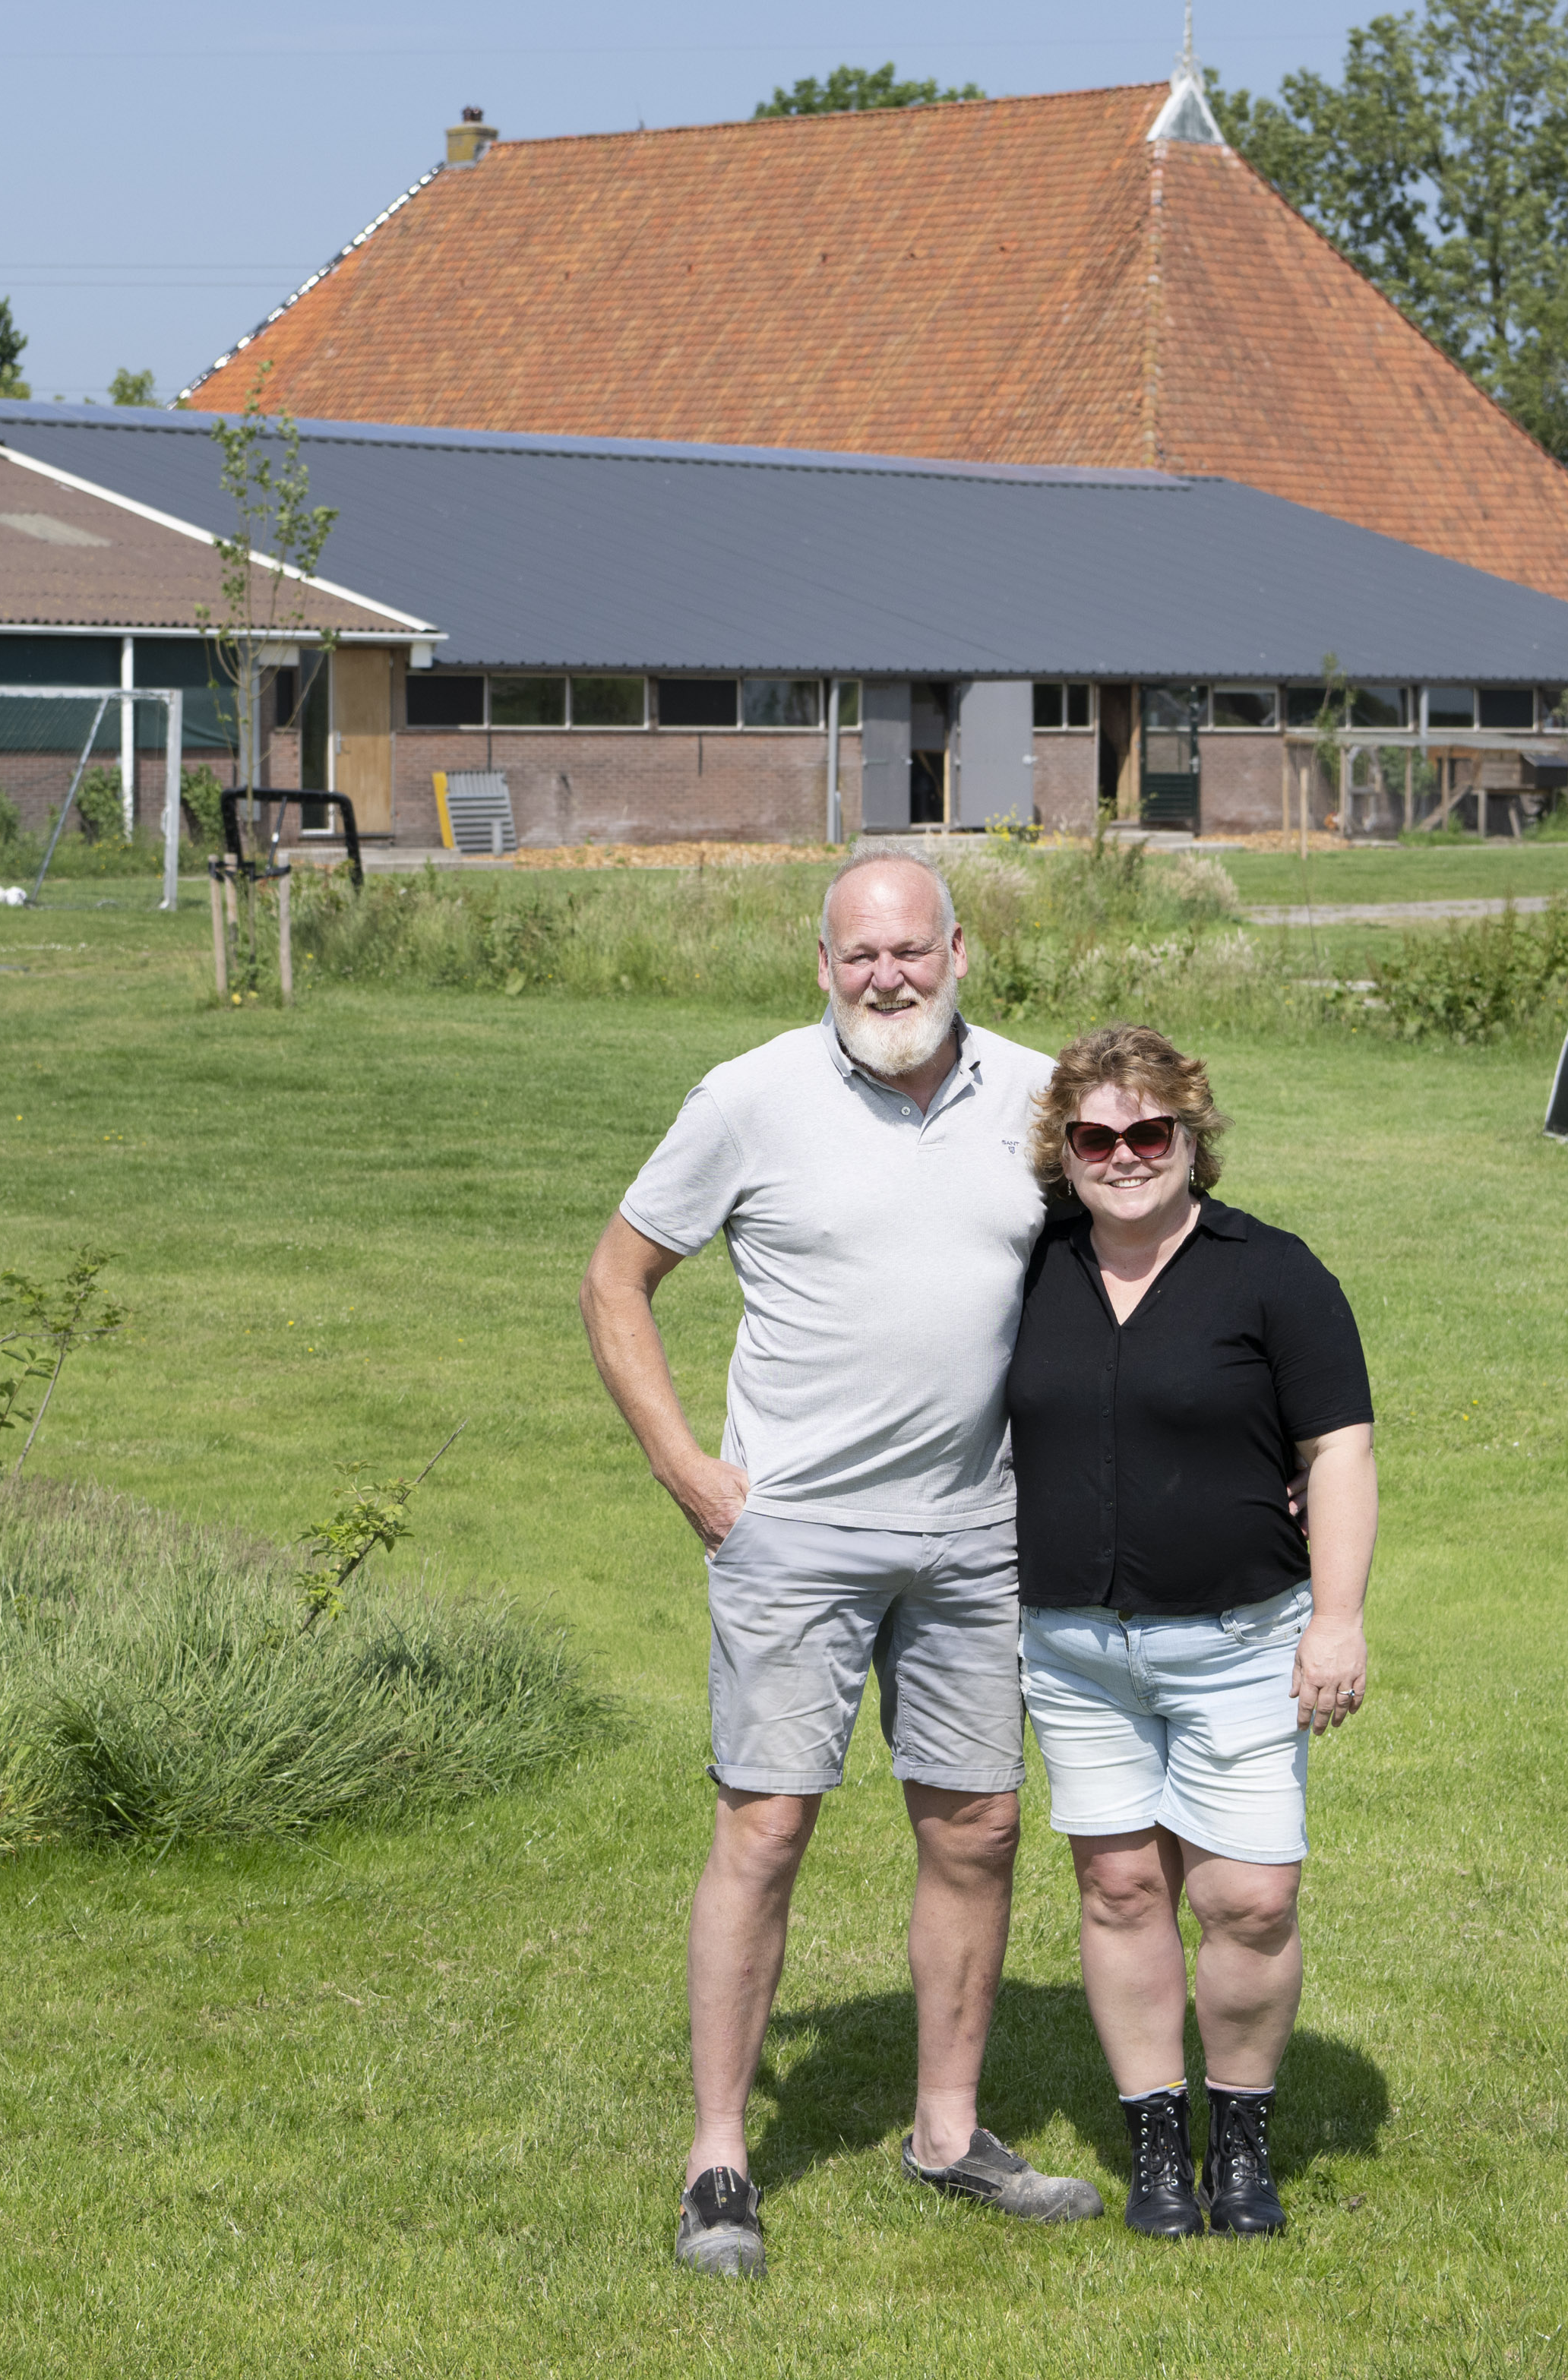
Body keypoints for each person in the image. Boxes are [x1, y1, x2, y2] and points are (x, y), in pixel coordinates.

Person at [581, 853, 1103, 2279]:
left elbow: (1137, 1250)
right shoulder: (748, 1096)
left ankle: (949, 2131)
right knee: (766, 1826)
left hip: (975, 1531)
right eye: (859, 955)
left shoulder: (1036, 1097)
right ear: (822, 964)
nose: (889, 977)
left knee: (979, 1826)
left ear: (960, 950)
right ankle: (719, 2160)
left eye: (912, 951)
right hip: (793, 1535)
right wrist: (694, 1472)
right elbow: (615, 1275)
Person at [1004, 1024, 1377, 2241]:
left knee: (1250, 1897)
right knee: (1119, 1886)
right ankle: (1157, 2141)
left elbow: (1339, 1452)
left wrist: (1338, 1618)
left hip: (1240, 1642)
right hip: (1075, 1646)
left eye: (1148, 1131)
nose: (1124, 1154)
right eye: (1096, 1135)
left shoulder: (1271, 1272)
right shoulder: (1027, 1268)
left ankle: (1243, 2136)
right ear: (1063, 1149)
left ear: (1191, 1137)